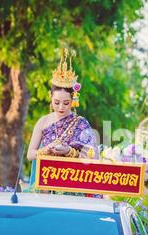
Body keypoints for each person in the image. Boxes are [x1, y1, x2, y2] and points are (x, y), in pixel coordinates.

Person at [27, 48, 99, 187]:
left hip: (72, 184)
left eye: (66, 103)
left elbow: (93, 157)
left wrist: (69, 151)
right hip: (45, 184)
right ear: (50, 97)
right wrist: (45, 150)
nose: (61, 107)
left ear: (73, 100)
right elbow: (30, 154)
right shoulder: (43, 122)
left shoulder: (81, 123)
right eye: (56, 102)